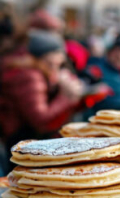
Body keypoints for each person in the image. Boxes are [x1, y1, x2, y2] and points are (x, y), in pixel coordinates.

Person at [0, 30, 83, 168]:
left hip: (24, 140)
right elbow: (39, 119)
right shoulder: (30, 76)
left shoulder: (34, 71)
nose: (57, 68)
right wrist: (65, 97)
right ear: (43, 58)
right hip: (22, 142)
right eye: (54, 63)